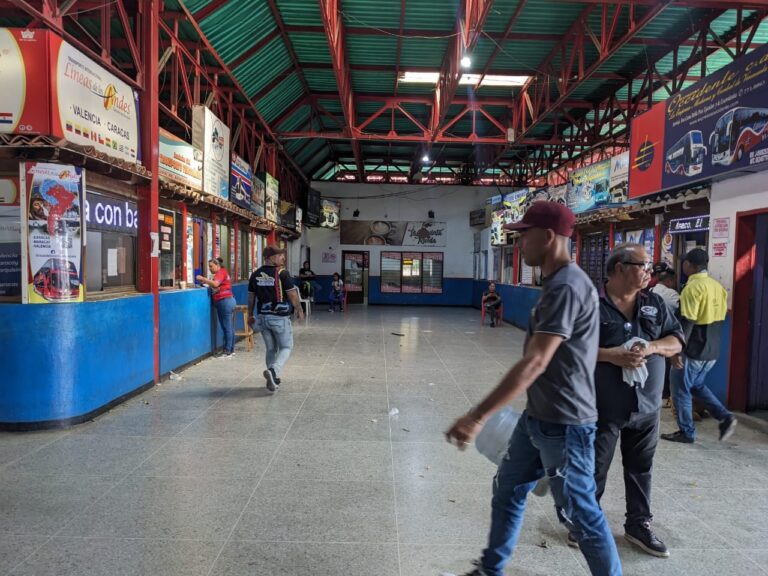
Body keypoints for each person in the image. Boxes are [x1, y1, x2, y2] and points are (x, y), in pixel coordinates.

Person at [445, 202, 622, 576]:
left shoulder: (567, 287)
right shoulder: (558, 283)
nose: (519, 242)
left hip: (567, 424)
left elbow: (535, 362)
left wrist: (477, 416)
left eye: (524, 235)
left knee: (580, 513)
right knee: (508, 488)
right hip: (538, 418)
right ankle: (491, 569)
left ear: (548, 236)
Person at [566, 244, 683, 558]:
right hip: (601, 405)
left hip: (646, 406)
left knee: (641, 468)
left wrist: (654, 347)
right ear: (619, 268)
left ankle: (638, 524)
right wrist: (610, 356)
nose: (649, 272)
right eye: (643, 265)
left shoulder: (656, 303)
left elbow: (676, 339)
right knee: (594, 468)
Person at [662, 248, 737, 443]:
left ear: (690, 265)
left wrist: (676, 350)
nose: (683, 265)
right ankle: (725, 416)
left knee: (680, 390)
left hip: (693, 349)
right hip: (712, 349)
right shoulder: (717, 287)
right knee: (696, 385)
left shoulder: (692, 288)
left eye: (685, 262)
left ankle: (686, 432)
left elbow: (687, 321)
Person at [248, 245, 304, 392]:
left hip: (262, 318)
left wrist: (249, 314)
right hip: (279, 317)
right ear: (271, 258)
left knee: (271, 349)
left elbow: (251, 296)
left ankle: (273, 379)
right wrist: (299, 309)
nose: (283, 258)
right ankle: (273, 372)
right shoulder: (282, 273)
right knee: (286, 346)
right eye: (280, 256)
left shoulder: (255, 274)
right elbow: (292, 294)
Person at [651, 268, 681, 406]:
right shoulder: (672, 294)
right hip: (668, 334)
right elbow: (681, 310)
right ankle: (666, 396)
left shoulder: (651, 291)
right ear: (669, 281)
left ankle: (659, 395)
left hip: (653, 333)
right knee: (668, 365)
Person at [196, 258, 236, 358]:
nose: (210, 268)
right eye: (209, 266)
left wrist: (203, 279)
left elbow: (215, 284)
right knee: (227, 327)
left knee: (227, 327)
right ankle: (229, 349)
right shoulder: (222, 273)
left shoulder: (220, 273)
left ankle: (228, 351)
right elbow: (218, 286)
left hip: (225, 301)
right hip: (226, 301)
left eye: (211, 266)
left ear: (217, 265)